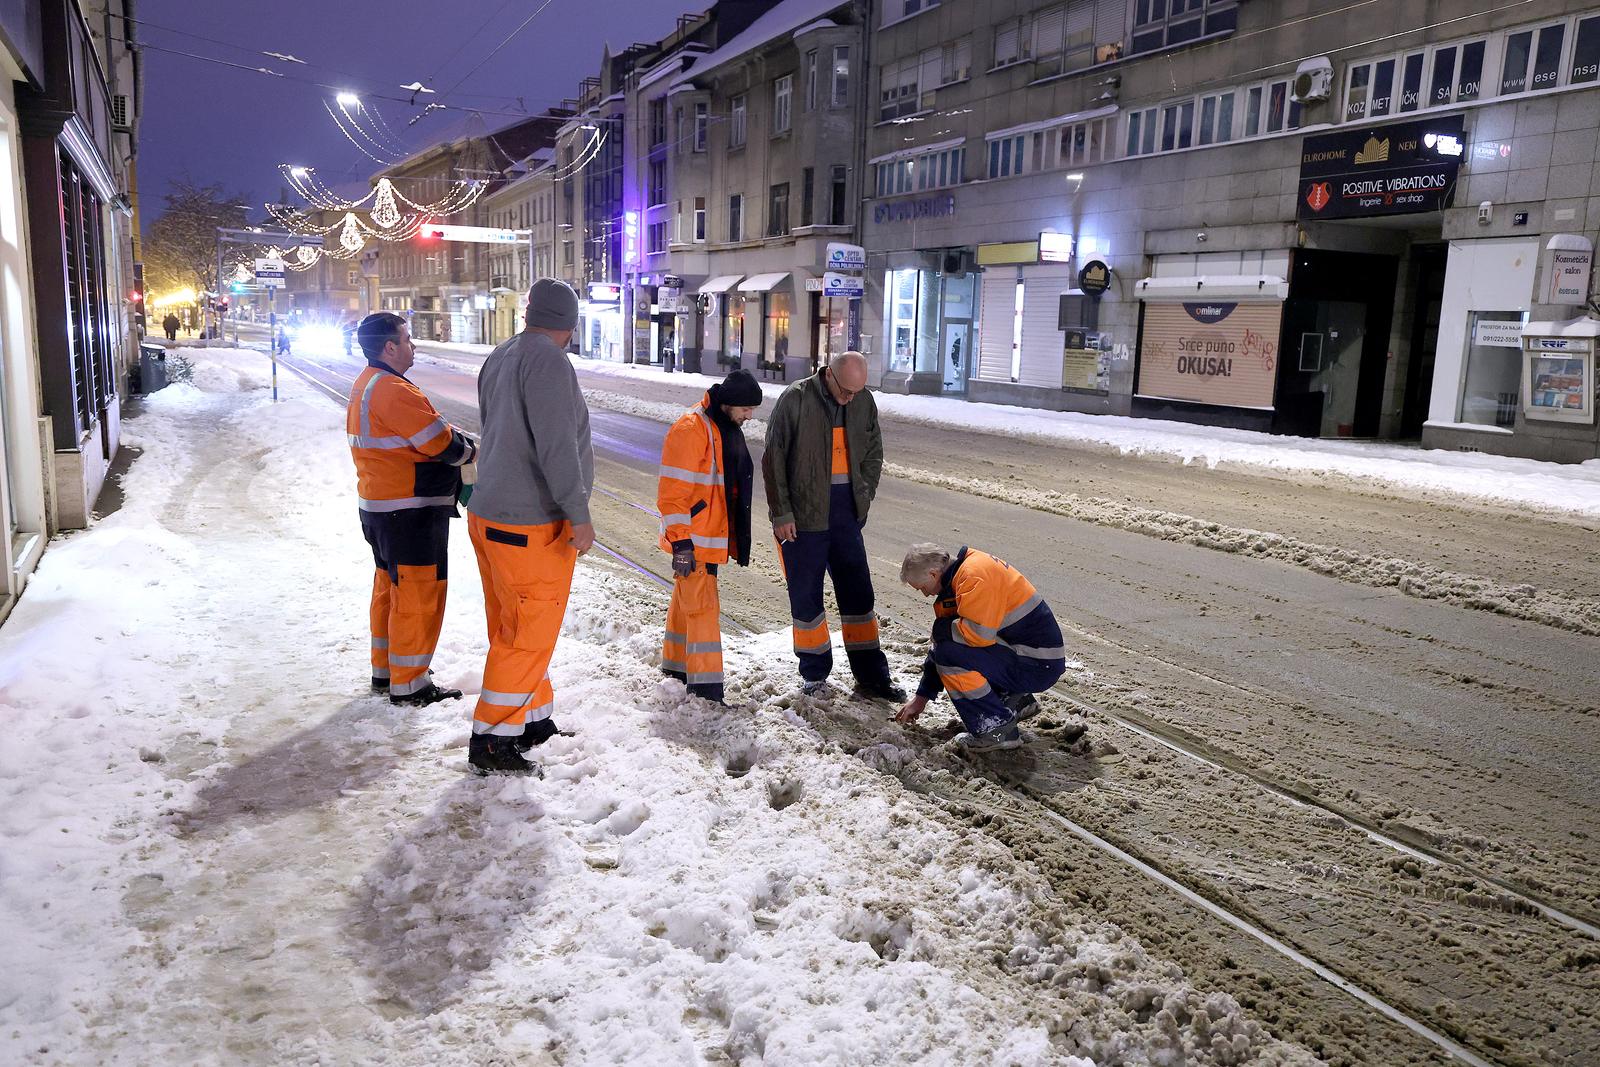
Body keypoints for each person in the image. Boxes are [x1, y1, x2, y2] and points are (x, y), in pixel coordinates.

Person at [466, 279, 594, 777]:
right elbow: (557, 445)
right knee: (527, 632)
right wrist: (577, 513)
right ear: (571, 324)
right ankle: (494, 740)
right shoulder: (548, 361)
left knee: (514, 626)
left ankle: (531, 719)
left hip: (491, 514)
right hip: (529, 523)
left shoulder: (503, 353)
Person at [346, 312, 477, 709]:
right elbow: (443, 445)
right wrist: (471, 448)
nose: (412, 346)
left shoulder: (368, 383)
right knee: (419, 595)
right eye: (407, 339)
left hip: (382, 506)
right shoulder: (393, 389)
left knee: (390, 590)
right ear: (390, 347)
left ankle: (387, 671)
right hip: (411, 509)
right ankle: (411, 684)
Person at [762, 350, 903, 701]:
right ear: (829, 375)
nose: (850, 398)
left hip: (845, 515)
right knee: (807, 599)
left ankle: (872, 677)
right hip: (803, 517)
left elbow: (873, 452)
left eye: (856, 392)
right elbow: (773, 457)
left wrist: (864, 496)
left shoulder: (863, 401)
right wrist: (781, 513)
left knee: (859, 597)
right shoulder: (795, 399)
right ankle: (814, 675)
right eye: (845, 391)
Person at [893, 544, 1067, 751]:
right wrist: (921, 698)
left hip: (1036, 665)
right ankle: (1013, 701)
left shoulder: (973, 577)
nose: (925, 594)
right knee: (950, 647)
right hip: (1032, 658)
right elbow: (942, 645)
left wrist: (942, 630)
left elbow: (975, 637)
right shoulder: (961, 576)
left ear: (933, 574)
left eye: (921, 587)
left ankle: (995, 731)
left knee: (952, 655)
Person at [657, 370, 762, 703]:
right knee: (702, 606)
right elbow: (672, 494)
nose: (750, 416)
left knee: (686, 598)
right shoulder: (691, 429)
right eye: (746, 409)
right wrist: (682, 543)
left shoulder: (720, 426)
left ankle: (676, 666)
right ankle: (706, 689)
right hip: (694, 540)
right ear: (729, 403)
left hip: (706, 536)